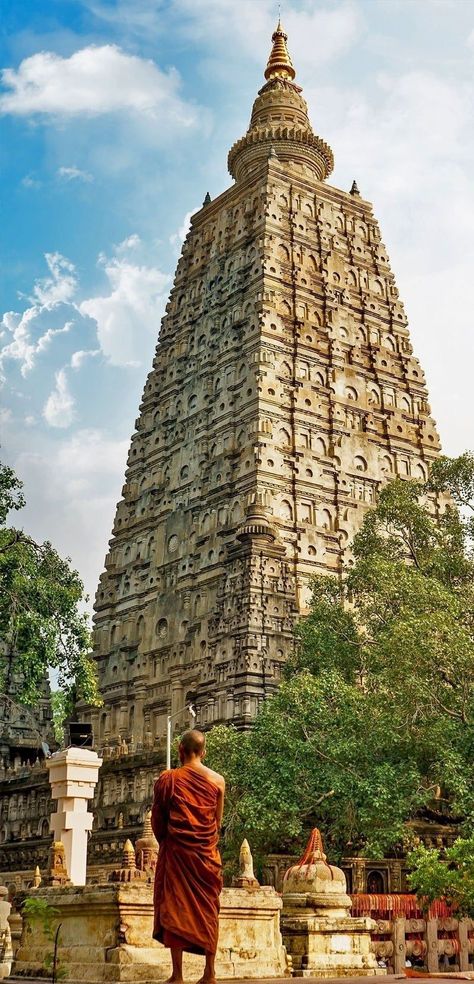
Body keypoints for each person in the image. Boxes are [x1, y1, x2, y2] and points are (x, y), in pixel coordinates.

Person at [151, 728, 225, 984]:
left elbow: (158, 820)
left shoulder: (168, 778)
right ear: (203, 752)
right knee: (209, 910)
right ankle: (209, 972)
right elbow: (216, 821)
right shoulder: (218, 781)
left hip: (178, 854)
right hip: (206, 856)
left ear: (180, 751)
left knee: (175, 907)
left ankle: (178, 974)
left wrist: (168, 842)